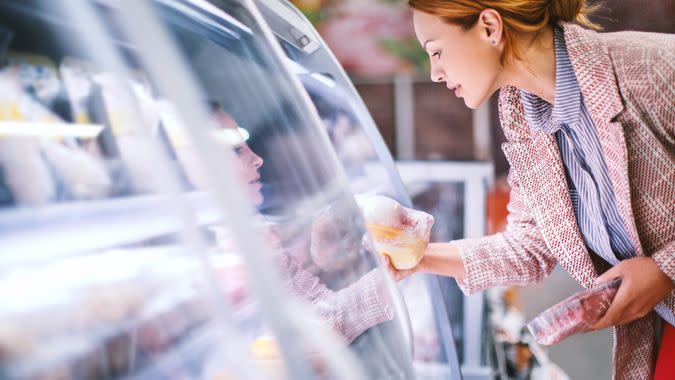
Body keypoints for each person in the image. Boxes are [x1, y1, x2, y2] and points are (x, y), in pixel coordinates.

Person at [383, 1, 674, 378]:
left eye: (436, 51)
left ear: (489, 27)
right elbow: (532, 245)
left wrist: (664, 269)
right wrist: (416, 258)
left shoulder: (651, 68)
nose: (436, 73)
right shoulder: (522, 113)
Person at [211, 105, 394, 344]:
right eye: (236, 150)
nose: (257, 159)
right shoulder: (214, 244)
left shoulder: (256, 232)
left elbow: (329, 318)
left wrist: (397, 270)